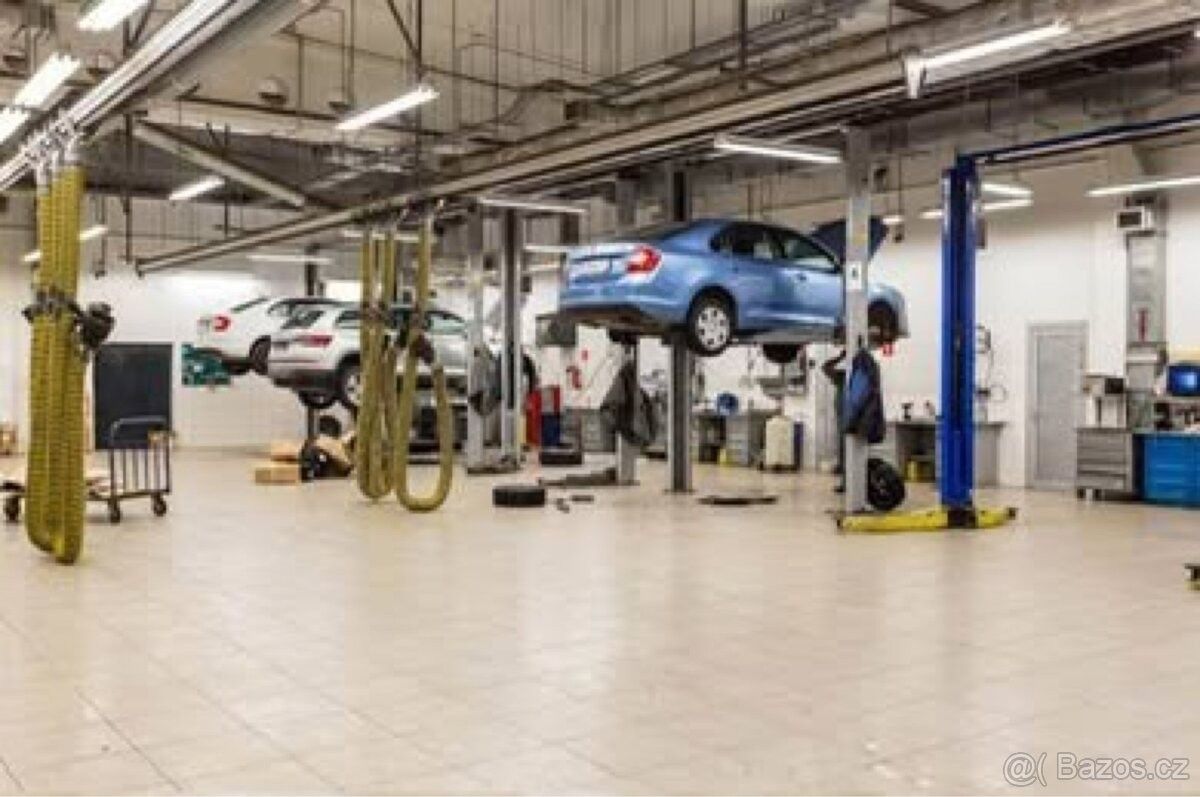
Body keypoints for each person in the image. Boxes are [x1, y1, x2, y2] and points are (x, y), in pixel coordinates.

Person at [821, 348, 847, 493]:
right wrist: (840, 357)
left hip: (852, 418)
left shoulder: (854, 375)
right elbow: (825, 367)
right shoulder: (842, 377)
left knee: (850, 451)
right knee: (844, 450)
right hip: (843, 418)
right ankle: (845, 483)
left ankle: (850, 483)